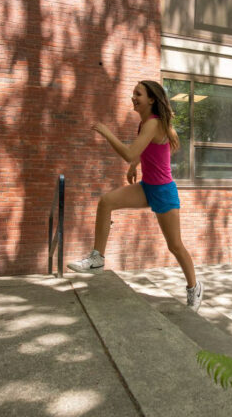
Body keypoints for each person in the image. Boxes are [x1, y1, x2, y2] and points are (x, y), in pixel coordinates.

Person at [66, 80, 204, 312]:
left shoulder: (153, 123)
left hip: (163, 191)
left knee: (175, 245)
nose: (133, 97)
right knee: (106, 202)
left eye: (138, 94)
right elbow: (146, 150)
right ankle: (97, 258)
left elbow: (130, 152)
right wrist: (135, 165)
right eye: (133, 93)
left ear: (151, 99)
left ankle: (194, 286)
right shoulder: (145, 125)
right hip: (146, 187)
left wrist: (107, 133)